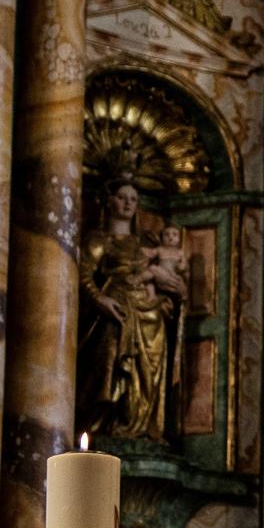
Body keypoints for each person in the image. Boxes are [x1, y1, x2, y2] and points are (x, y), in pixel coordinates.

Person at [76, 179, 185, 442]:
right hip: (115, 309)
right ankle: (108, 423)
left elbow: (170, 277)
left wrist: (172, 294)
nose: (128, 203)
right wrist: (100, 299)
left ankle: (142, 424)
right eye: (122, 197)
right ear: (109, 200)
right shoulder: (100, 240)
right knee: (111, 361)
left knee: (150, 368)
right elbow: (83, 275)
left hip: (150, 313)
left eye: (133, 199)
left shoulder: (146, 242)